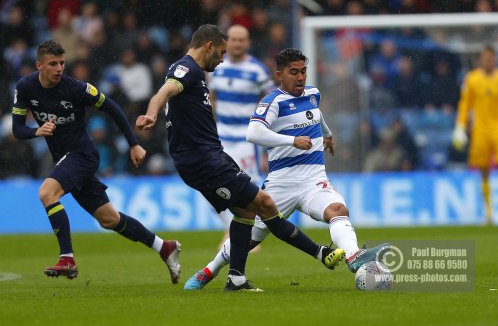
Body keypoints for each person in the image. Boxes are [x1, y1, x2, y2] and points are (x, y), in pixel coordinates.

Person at [136, 25, 345, 292]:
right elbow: (163, 92)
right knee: (266, 205)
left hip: (210, 156)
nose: (222, 59)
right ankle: (321, 254)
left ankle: (235, 279)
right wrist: (152, 114)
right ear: (210, 47)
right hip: (204, 160)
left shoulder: (200, 73)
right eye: (221, 52)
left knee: (246, 212)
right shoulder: (187, 69)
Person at [183, 48, 389, 290]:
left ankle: (354, 257)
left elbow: (316, 114)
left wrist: (328, 134)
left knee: (337, 209)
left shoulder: (313, 93)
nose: (300, 77)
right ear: (279, 75)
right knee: (248, 239)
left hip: (313, 179)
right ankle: (208, 271)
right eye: (294, 72)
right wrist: (291, 141)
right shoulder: (272, 102)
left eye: (303, 71)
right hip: (281, 183)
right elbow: (254, 133)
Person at [11, 40, 181, 283]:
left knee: (47, 193)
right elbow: (18, 129)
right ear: (39, 65)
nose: (59, 68)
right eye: (53, 64)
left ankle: (67, 258)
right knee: (109, 219)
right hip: (65, 159)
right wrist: (35, 131)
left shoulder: (77, 88)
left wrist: (133, 144)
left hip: (82, 154)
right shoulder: (25, 87)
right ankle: (165, 247)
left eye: (62, 63)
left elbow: (113, 108)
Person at [209, 24, 275, 247]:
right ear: (227, 42)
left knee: (250, 187)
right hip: (222, 138)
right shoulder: (217, 67)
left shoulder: (257, 70)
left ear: (248, 43)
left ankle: (248, 236)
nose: (237, 44)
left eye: (241, 40)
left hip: (248, 140)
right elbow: (212, 99)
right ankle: (230, 228)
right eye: (233, 39)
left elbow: (270, 104)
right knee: (212, 184)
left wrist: (266, 142)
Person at [452, 45, 498, 225]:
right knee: (483, 171)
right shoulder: (472, 79)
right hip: (480, 129)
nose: (489, 61)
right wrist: (460, 126)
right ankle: (488, 213)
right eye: (486, 58)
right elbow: (465, 104)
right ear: (480, 60)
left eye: (492, 58)